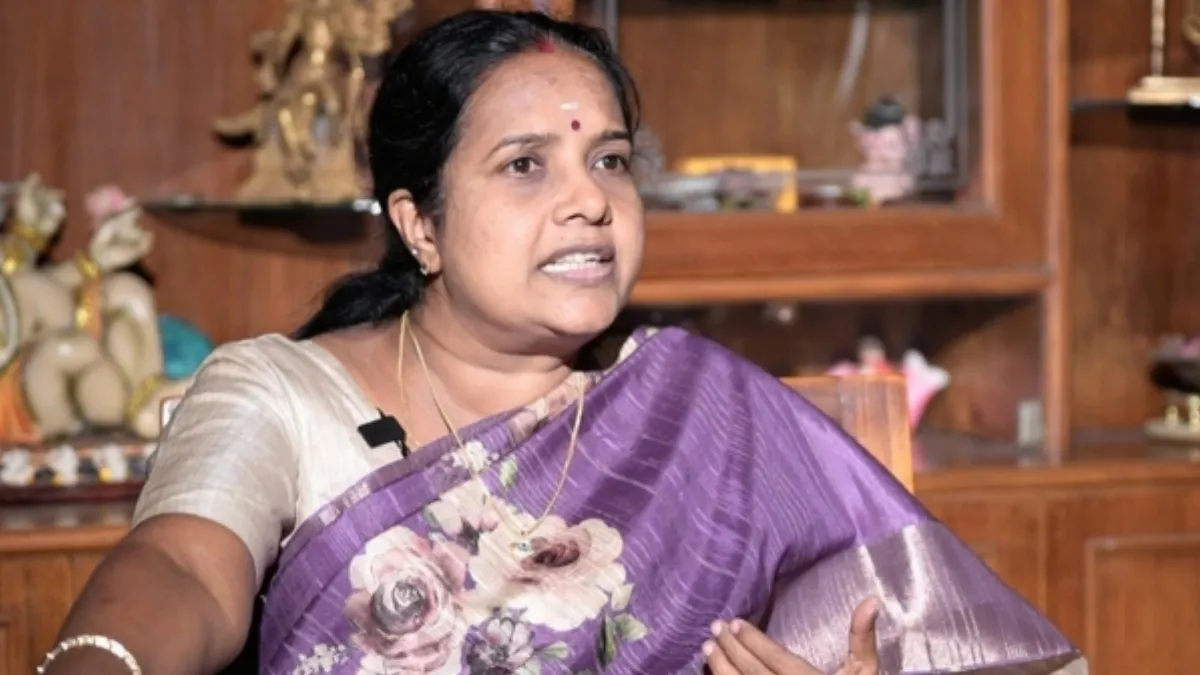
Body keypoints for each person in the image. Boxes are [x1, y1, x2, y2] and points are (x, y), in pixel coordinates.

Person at [42, 10, 1085, 675]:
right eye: (526, 165)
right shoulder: (280, 392)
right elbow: (182, 566)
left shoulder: (708, 411)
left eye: (613, 161)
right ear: (418, 224)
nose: (591, 200)